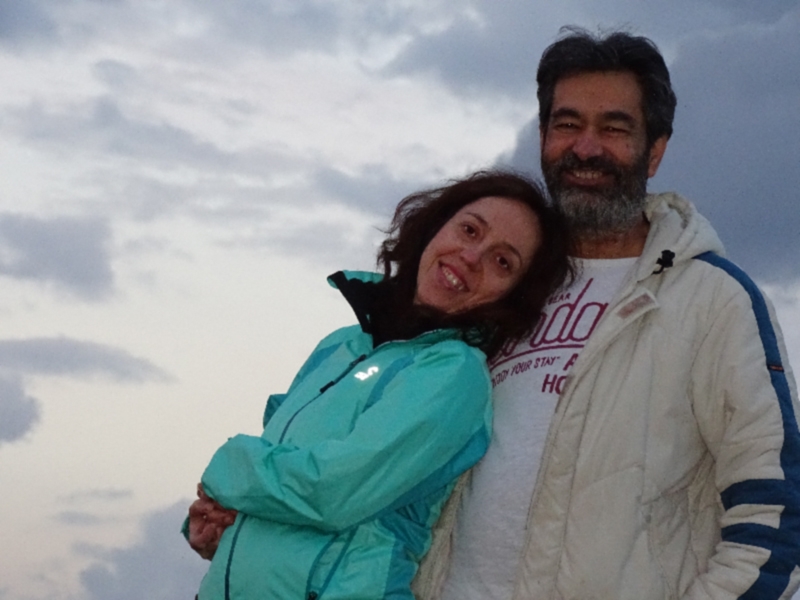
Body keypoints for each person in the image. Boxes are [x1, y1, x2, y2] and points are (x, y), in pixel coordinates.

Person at [414, 28, 800, 600]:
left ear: (655, 150)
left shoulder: (713, 301)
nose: (586, 148)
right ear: (543, 136)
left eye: (614, 129)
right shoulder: (499, 283)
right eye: (567, 124)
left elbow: (776, 514)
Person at [183, 171, 572, 599]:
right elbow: (279, 475)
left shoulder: (454, 373)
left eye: (502, 262)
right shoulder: (340, 345)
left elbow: (335, 493)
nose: (471, 256)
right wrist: (226, 526)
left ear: (513, 295)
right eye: (469, 230)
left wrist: (228, 468)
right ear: (434, 226)